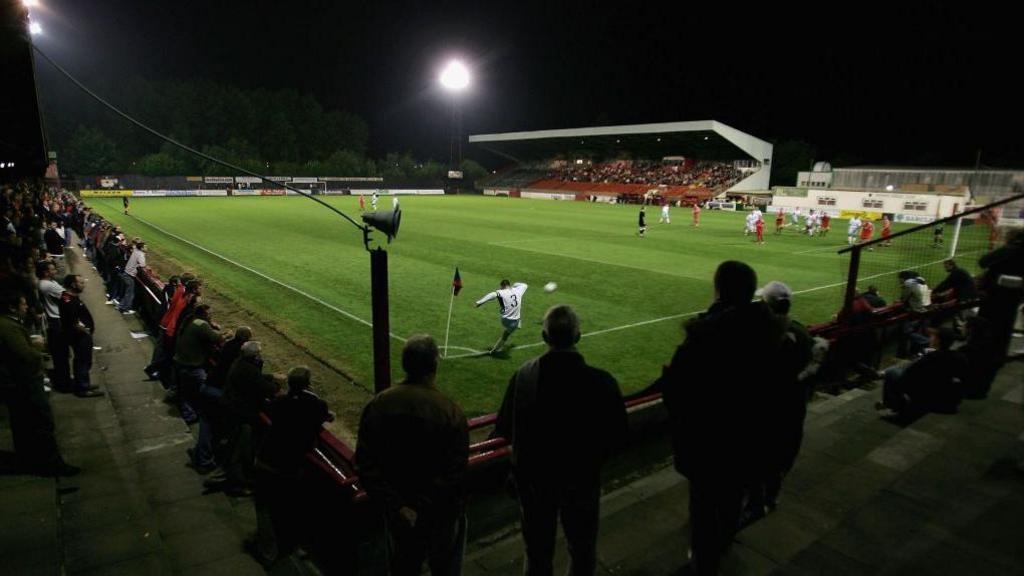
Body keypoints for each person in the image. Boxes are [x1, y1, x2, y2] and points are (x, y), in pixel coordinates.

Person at [652, 261, 786, 575]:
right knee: (730, 497)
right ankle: (721, 543)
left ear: (718, 289)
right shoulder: (772, 332)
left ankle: (704, 562)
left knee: (703, 506)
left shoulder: (705, 335)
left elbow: (677, 391)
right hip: (750, 439)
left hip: (708, 442)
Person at [493, 305, 626, 576]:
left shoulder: (524, 377)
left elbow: (504, 429)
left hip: (535, 483)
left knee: (537, 554)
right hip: (581, 481)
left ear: (544, 338)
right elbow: (618, 433)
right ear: (578, 337)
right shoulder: (602, 382)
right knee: (583, 551)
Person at [356, 335, 469, 576]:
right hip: (437, 514)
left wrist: (398, 507)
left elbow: (365, 463)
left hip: (396, 513)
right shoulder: (450, 411)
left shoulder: (379, 404)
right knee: (444, 565)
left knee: (402, 566)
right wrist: (423, 507)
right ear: (434, 366)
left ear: (405, 364)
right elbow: (455, 472)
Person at [249, 366, 334, 566]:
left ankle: (268, 550)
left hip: (266, 458)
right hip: (289, 465)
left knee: (264, 506)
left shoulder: (280, 402)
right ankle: (289, 545)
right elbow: (326, 416)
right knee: (287, 503)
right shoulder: (315, 403)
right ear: (308, 384)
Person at [0, 290, 80, 476]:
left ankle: (30, 460)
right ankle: (51, 464)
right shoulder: (8, 327)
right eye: (23, 304)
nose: (26, 307)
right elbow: (25, 355)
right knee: (41, 423)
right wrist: (38, 350)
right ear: (12, 307)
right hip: (23, 384)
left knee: (22, 425)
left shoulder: (8, 324)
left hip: (14, 384)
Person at [876, 327, 966, 418]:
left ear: (938, 340)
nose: (930, 338)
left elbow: (909, 374)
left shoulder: (931, 357)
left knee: (892, 372)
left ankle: (893, 405)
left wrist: (920, 358)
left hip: (925, 389)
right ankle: (883, 376)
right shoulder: (959, 356)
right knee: (901, 366)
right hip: (943, 388)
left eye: (932, 336)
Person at [58, 275, 103, 398]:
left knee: (83, 361)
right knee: (83, 361)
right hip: (79, 337)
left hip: (80, 336)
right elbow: (74, 323)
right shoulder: (68, 301)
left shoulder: (69, 297)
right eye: (81, 283)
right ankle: (83, 388)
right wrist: (87, 331)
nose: (84, 284)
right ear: (73, 285)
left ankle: (84, 384)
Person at [37, 261, 71, 391]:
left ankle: (63, 380)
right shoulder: (48, 285)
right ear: (46, 272)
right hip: (57, 321)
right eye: (52, 269)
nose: (55, 271)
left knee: (60, 354)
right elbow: (67, 297)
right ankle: (64, 384)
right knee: (62, 354)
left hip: (55, 321)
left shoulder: (46, 283)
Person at [475, 279, 529, 354]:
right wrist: (514, 285)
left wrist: (480, 302)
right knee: (506, 335)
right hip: (514, 322)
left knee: (507, 311)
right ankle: (494, 350)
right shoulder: (518, 290)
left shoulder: (501, 292)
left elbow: (492, 295)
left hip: (505, 320)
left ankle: (493, 350)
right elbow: (525, 285)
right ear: (508, 285)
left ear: (502, 286)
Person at [117, 239, 146, 314]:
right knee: (130, 294)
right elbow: (143, 264)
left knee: (128, 293)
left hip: (126, 273)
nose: (146, 247)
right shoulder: (140, 254)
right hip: (129, 275)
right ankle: (123, 309)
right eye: (145, 246)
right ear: (142, 248)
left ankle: (122, 306)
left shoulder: (136, 251)